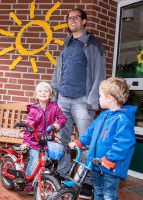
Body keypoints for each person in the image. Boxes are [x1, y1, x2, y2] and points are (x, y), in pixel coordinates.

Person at [51, 7, 106, 198]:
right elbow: (58, 71)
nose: (72, 20)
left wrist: (93, 100)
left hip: (83, 100)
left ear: (84, 21)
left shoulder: (93, 44)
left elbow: (99, 73)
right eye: (69, 18)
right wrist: (54, 95)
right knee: (62, 140)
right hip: (63, 99)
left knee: (86, 142)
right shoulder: (67, 43)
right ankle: (63, 173)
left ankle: (86, 181)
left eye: (76, 18)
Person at [69, 77, 136, 200]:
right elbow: (90, 132)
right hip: (96, 163)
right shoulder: (103, 115)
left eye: (100, 96)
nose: (98, 98)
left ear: (110, 98)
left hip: (110, 166)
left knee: (109, 195)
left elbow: (124, 143)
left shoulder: (123, 120)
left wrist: (110, 158)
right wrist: (80, 141)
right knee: (98, 191)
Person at [20, 82, 66, 193]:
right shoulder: (34, 110)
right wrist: (26, 142)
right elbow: (29, 127)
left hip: (47, 141)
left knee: (46, 162)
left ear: (51, 95)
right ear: (36, 95)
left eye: (46, 91)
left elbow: (62, 117)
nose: (43, 93)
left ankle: (43, 180)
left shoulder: (54, 107)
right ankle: (28, 183)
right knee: (35, 160)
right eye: (40, 91)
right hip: (35, 141)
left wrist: (58, 124)